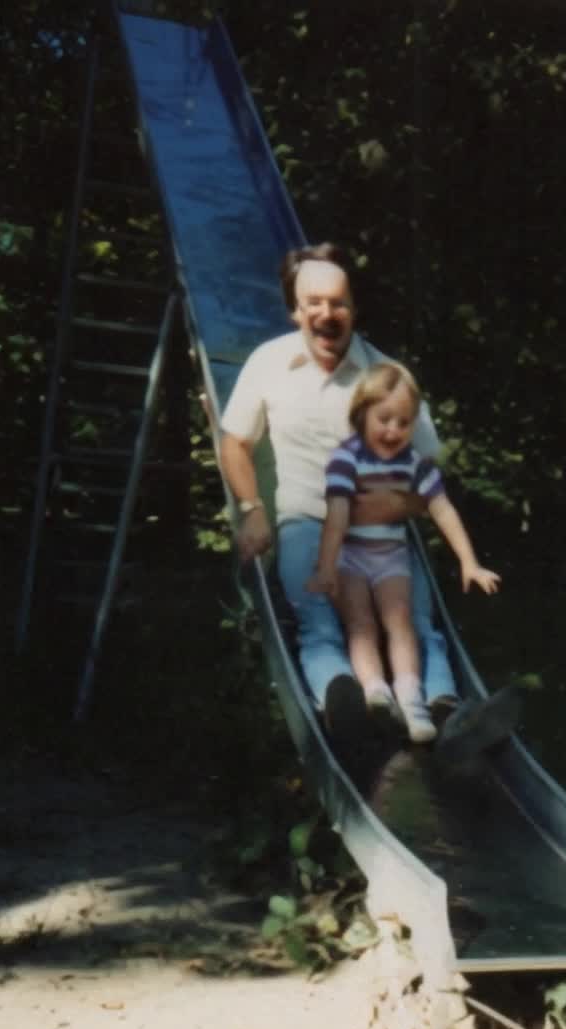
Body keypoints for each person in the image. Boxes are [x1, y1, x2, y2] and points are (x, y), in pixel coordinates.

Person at [218, 241, 516, 752]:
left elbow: (429, 468)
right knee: (320, 622)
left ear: (354, 309)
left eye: (338, 304)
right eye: (314, 303)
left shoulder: (385, 377)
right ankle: (346, 704)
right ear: (296, 309)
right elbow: (234, 443)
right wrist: (252, 510)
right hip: (305, 523)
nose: (326, 315)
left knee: (417, 624)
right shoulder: (268, 363)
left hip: (379, 532)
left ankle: (447, 715)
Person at [306, 361, 501, 744]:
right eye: (384, 419)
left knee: (400, 624)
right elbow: (338, 514)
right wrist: (327, 567)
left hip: (391, 557)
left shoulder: (414, 464)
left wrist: (469, 561)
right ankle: (377, 692)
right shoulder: (346, 458)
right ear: (362, 414)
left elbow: (442, 508)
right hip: (351, 556)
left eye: (404, 421)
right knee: (360, 624)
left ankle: (412, 701)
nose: (394, 430)